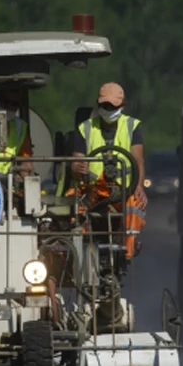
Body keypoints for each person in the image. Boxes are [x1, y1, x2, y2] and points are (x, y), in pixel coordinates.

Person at [70, 82, 147, 258]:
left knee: (135, 205)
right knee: (73, 204)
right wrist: (77, 167)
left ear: (122, 106)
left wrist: (138, 186)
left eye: (112, 106)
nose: (108, 109)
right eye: (104, 105)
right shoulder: (86, 128)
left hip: (123, 191)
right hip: (93, 189)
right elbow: (75, 162)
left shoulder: (132, 126)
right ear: (98, 104)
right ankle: (79, 250)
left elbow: (138, 161)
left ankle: (126, 249)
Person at [0, 87, 33, 178]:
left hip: (8, 180)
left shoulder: (20, 126)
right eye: (4, 102)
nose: (8, 106)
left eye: (14, 104)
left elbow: (25, 160)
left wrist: (28, 181)